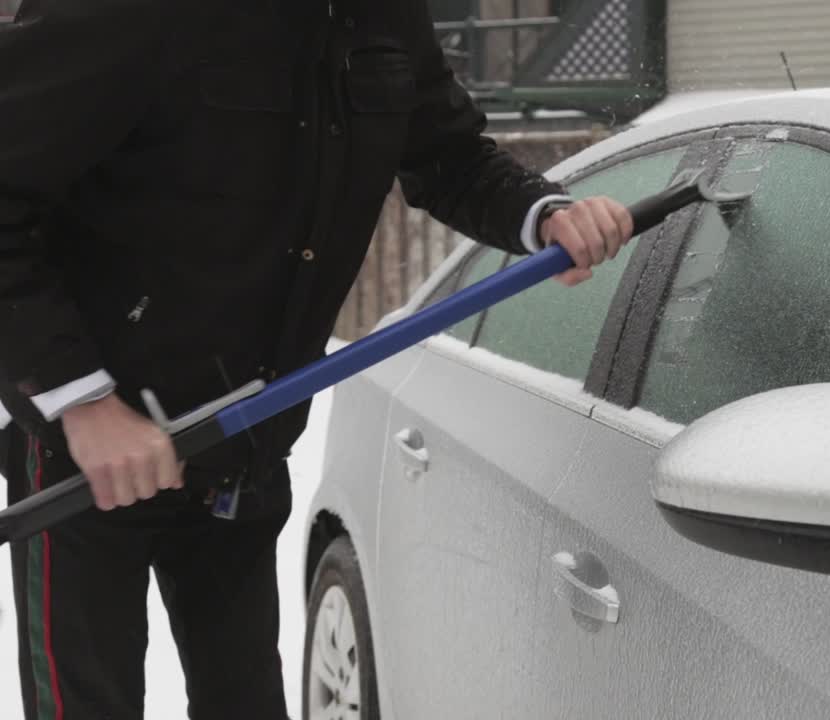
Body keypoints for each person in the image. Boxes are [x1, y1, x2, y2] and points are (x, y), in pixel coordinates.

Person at [0, 1, 633, 718]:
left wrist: (543, 214)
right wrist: (80, 401)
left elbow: (447, 155)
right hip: (92, 455)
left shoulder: (384, 16)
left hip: (245, 433)